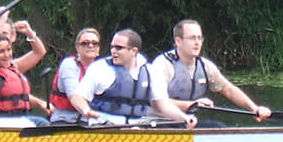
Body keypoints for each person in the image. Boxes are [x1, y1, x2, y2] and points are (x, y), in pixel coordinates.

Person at [147, 20, 272, 126]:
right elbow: (158, 102)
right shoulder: (162, 64)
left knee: (219, 128)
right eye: (192, 38)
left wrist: (254, 108)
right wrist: (192, 105)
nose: (197, 42)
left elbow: (228, 89)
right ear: (178, 41)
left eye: (199, 38)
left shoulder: (205, 66)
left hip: (188, 123)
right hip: (159, 123)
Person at [69, 29, 197, 127]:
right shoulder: (100, 68)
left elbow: (161, 104)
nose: (113, 51)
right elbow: (77, 97)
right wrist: (85, 110)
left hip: (136, 128)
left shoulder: (150, 71)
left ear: (134, 51)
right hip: (103, 129)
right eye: (112, 47)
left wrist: (183, 117)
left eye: (119, 48)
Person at [0, 17, 49, 126]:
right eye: (1, 51)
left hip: (21, 117)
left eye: (8, 50)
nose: (7, 55)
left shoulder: (14, 67)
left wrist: (29, 32)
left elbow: (39, 52)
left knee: (43, 123)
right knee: (41, 124)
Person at [49, 27, 103, 124]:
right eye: (85, 43)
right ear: (77, 47)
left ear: (98, 48)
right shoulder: (69, 64)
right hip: (66, 119)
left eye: (95, 43)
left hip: (92, 120)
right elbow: (73, 95)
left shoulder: (102, 68)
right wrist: (86, 111)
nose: (90, 46)